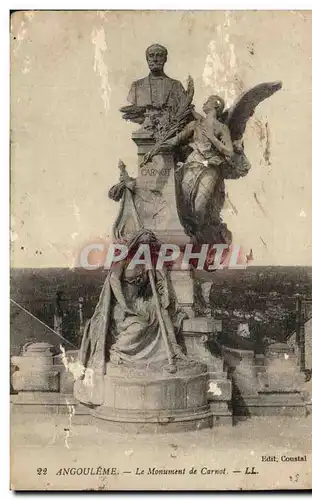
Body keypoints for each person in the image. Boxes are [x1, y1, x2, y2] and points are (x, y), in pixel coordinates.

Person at [74, 230, 186, 406]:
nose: (145, 248)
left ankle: (174, 350)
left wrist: (158, 275)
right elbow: (114, 282)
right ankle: (118, 352)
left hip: (141, 303)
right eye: (143, 245)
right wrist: (126, 306)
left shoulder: (149, 263)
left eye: (149, 246)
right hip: (122, 306)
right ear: (136, 245)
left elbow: (159, 285)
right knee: (139, 325)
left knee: (162, 314)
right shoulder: (123, 261)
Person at [168, 95, 251, 244]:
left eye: (208, 101)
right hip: (192, 165)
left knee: (200, 207)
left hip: (210, 167)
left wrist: (213, 139)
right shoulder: (196, 124)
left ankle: (204, 240)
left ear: (216, 105)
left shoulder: (221, 127)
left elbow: (229, 151)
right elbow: (176, 140)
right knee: (185, 205)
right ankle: (194, 240)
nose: (204, 103)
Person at [121, 44, 187, 126]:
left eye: (159, 55)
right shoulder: (137, 86)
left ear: (165, 59)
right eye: (151, 56)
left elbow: (185, 109)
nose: (155, 59)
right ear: (147, 59)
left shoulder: (176, 85)